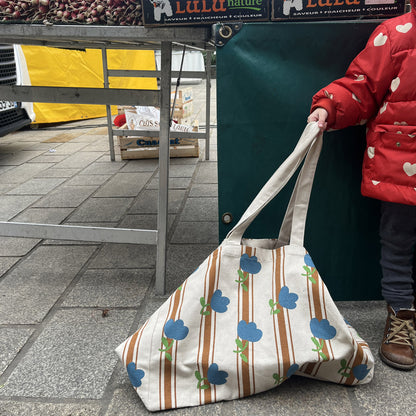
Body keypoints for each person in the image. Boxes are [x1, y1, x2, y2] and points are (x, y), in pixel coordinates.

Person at [307, 1, 416, 370]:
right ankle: (401, 313)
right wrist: (329, 106)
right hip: (403, 165)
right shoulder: (397, 34)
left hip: (399, 157)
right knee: (398, 240)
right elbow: (362, 86)